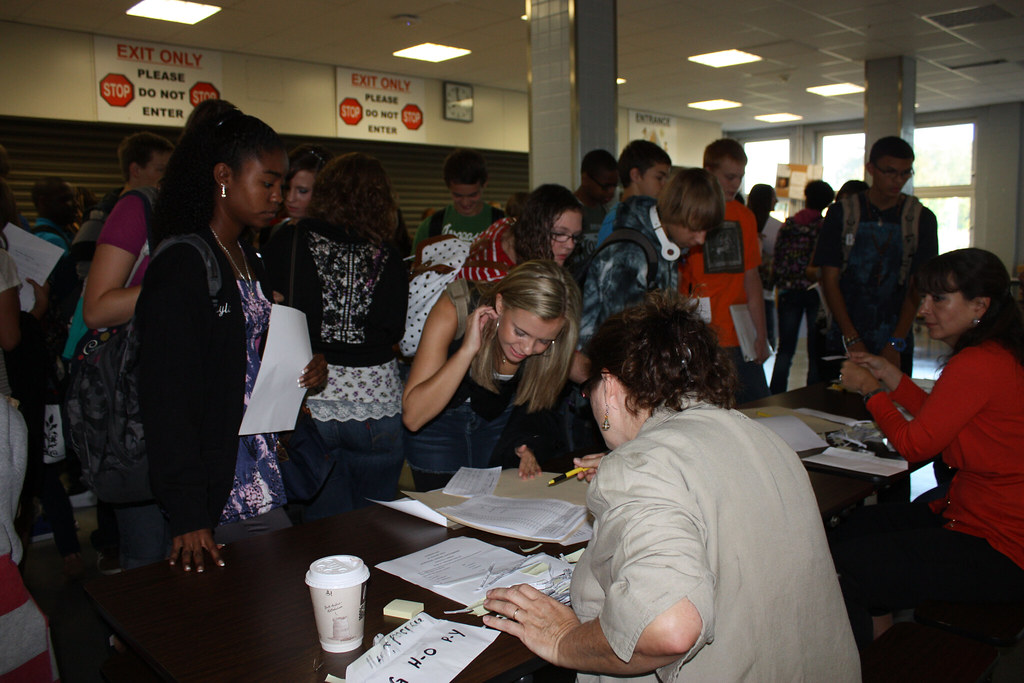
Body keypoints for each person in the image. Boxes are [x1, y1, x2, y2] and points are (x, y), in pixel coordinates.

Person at [483, 292, 859, 681]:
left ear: (609, 386)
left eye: (589, 390)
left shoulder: (640, 466)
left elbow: (668, 628)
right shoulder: (762, 438)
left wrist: (564, 638)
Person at [136, 108, 326, 573]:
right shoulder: (182, 263)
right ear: (223, 177)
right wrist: (187, 513)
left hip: (258, 465)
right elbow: (167, 396)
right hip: (215, 483)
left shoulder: (250, 259)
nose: (278, 197)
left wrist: (304, 367)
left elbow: (248, 361)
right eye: (267, 183)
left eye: (283, 185)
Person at [832, 248, 1024, 647]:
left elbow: (915, 445)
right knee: (853, 529)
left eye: (939, 298)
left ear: (979, 305)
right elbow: (943, 419)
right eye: (924, 298)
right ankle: (883, 641)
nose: (923, 310)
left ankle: (872, 661)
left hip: (1000, 547)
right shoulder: (996, 354)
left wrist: (870, 392)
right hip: (979, 519)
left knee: (847, 562)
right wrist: (891, 377)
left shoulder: (977, 363)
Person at [262, 152, 407, 520]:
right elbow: (394, 329)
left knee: (323, 530)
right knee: (377, 524)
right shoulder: (387, 254)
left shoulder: (289, 240)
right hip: (377, 401)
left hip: (310, 400)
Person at [403, 261, 580, 491]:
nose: (527, 349)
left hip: (496, 420)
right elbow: (413, 417)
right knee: (443, 518)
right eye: (520, 332)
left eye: (543, 341)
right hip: (436, 423)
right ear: (500, 303)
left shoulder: (557, 338)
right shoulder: (455, 306)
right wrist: (467, 351)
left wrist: (524, 443)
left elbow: (538, 405)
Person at [813, 136, 938, 377]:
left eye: (905, 173)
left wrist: (895, 343)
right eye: (890, 172)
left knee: (890, 409)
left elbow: (917, 285)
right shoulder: (842, 214)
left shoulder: (921, 218)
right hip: (842, 336)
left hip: (895, 337)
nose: (898, 180)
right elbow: (829, 279)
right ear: (871, 169)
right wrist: (852, 339)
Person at [678, 138, 770, 404]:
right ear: (709, 172)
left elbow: (752, 278)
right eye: (729, 177)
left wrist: (761, 335)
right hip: (700, 332)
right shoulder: (688, 214)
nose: (735, 184)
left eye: (740, 177)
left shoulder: (745, 217)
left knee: (755, 405)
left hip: (739, 333)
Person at [769, 179, 834, 393]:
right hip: (814, 291)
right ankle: (812, 395)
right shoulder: (823, 227)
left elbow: (777, 257)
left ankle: (776, 393)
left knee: (785, 349)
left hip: (788, 290)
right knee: (814, 350)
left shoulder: (788, 225)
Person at [459, 183, 582, 282]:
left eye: (575, 236)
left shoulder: (508, 224)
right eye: (559, 233)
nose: (570, 245)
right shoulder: (495, 280)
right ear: (534, 229)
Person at [411, 148, 505, 248]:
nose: (465, 202)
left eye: (473, 195)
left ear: (485, 183)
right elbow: (415, 263)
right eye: (457, 195)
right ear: (448, 186)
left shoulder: (504, 225)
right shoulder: (430, 226)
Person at [595, 140, 672, 245]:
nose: (665, 185)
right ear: (636, 175)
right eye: (659, 178)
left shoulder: (648, 216)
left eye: (666, 179)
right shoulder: (616, 220)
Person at [569, 149, 618, 270]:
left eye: (614, 186)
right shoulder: (567, 209)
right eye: (605, 186)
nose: (611, 192)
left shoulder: (606, 213)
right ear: (585, 179)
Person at [748, 183, 782, 350]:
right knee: (767, 339)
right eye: (773, 196)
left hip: (745, 289)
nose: (776, 200)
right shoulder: (776, 227)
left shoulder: (746, 220)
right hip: (765, 289)